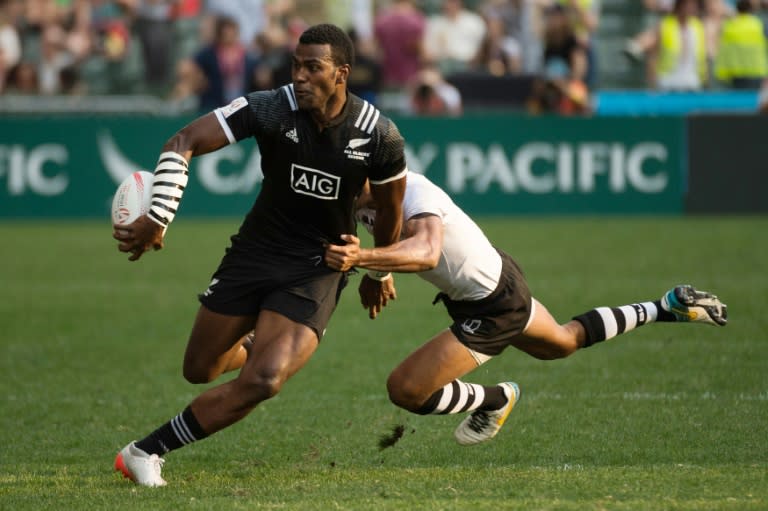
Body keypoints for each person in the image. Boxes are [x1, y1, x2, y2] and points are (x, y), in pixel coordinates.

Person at [111, 23, 408, 487]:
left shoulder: (379, 135)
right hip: (255, 251)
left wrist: (376, 268)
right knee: (200, 369)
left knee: (264, 381)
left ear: (342, 73)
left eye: (314, 68)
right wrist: (159, 217)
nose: (301, 76)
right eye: (296, 65)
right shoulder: (271, 107)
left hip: (319, 264)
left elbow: (390, 212)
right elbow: (183, 142)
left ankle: (145, 451)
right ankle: (258, 342)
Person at [324, 172, 727, 446]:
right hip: (494, 280)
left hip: (492, 304)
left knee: (406, 389)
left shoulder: (414, 193)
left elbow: (426, 251)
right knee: (562, 342)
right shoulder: (361, 196)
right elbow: (387, 237)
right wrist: (378, 272)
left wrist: (366, 262)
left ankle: (495, 400)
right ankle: (665, 307)